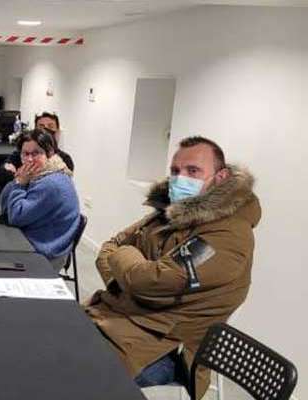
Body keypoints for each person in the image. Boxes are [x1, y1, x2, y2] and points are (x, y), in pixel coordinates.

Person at [86, 136, 261, 399]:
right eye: (175, 171)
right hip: (117, 319)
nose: (180, 179)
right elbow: (108, 249)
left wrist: (128, 266)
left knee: (66, 369)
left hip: (164, 348)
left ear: (221, 177)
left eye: (193, 171)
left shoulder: (228, 235)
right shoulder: (171, 210)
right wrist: (128, 279)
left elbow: (148, 280)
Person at [0, 128, 80, 270]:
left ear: (49, 153)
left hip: (44, 254)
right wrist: (17, 181)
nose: (29, 159)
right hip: (36, 239)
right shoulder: (41, 174)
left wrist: (19, 184)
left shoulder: (51, 182)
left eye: (36, 153)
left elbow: (16, 216)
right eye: (25, 154)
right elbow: (5, 206)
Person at [1, 112, 74, 182]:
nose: (30, 159)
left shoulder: (65, 159)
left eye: (50, 126)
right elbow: (5, 170)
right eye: (41, 127)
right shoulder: (20, 154)